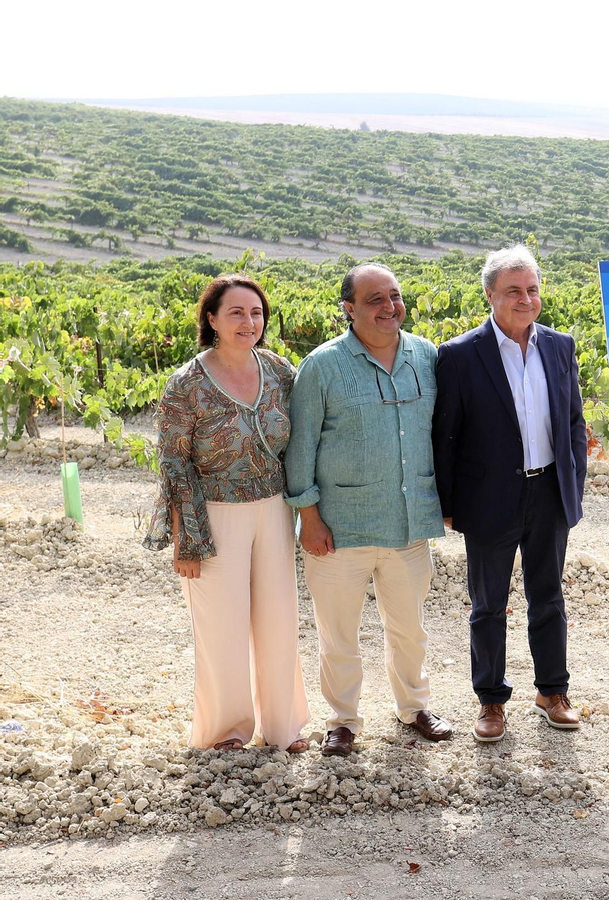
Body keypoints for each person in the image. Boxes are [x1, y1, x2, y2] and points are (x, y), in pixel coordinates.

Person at [285, 262, 453, 756]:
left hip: (407, 522)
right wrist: (308, 517)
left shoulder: (426, 357)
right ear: (349, 309)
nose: (388, 307)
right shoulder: (322, 365)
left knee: (409, 628)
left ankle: (415, 707)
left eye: (394, 297)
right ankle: (343, 721)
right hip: (339, 526)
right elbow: (301, 448)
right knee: (339, 634)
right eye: (374, 299)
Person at [144, 274, 310, 752]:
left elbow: (298, 444)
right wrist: (188, 539)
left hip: (275, 510)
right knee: (222, 628)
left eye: (256, 313)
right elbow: (174, 465)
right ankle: (228, 732)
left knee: (279, 621)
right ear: (211, 319)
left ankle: (283, 727)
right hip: (213, 512)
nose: (248, 321)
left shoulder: (280, 371)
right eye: (236, 312)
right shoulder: (186, 384)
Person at [433, 245, 588, 741]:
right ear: (490, 295)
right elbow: (446, 437)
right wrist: (452, 506)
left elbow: (573, 422)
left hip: (548, 493)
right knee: (487, 605)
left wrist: (573, 486)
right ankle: (492, 700)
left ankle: (551, 691)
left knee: (549, 597)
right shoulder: (458, 355)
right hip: (489, 499)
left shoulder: (560, 346)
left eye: (532, 289)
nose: (526, 299)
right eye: (514, 291)